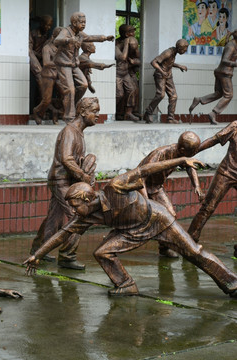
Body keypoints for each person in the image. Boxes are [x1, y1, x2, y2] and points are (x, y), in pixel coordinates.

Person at [24, 157, 237, 299]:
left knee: (193, 252)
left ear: (87, 198)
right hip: (129, 232)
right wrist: (38, 255)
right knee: (102, 252)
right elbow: (63, 234)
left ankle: (232, 282)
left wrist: (182, 160)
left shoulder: (115, 187)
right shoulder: (87, 214)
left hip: (157, 220)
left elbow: (144, 170)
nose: (72, 210)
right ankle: (126, 284)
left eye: (74, 205)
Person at [29, 97, 99, 270]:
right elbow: (66, 159)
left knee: (54, 218)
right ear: (83, 112)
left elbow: (74, 159)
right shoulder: (70, 131)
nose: (98, 115)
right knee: (78, 215)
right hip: (60, 180)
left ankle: (38, 250)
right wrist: (82, 175)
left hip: (65, 179)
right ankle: (67, 256)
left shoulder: (78, 132)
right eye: (94, 111)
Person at [138, 131, 204, 258]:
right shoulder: (161, 153)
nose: (194, 153)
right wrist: (146, 201)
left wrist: (197, 186)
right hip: (141, 187)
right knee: (139, 218)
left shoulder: (181, 153)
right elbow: (142, 176)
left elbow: (190, 166)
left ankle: (164, 248)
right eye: (193, 151)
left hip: (156, 188)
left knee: (170, 215)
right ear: (183, 149)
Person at [188, 120, 237, 258]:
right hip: (227, 172)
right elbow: (215, 139)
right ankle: (189, 241)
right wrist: (194, 150)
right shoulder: (235, 126)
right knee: (208, 207)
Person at [53, 12, 114, 123]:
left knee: (83, 84)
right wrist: (68, 40)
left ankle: (72, 106)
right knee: (70, 89)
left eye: (85, 22)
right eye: (81, 22)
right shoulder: (66, 31)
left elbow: (90, 37)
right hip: (63, 64)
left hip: (74, 64)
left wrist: (105, 38)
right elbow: (56, 40)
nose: (83, 24)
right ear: (74, 22)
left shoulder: (80, 34)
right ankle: (69, 117)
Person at [189, 29, 237, 125]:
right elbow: (224, 60)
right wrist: (235, 64)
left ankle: (199, 99)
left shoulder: (233, 45)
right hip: (224, 73)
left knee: (219, 93)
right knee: (229, 95)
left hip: (222, 72)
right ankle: (213, 113)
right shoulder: (231, 46)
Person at [143, 39, 189, 124]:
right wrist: (162, 71)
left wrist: (179, 66)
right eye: (185, 49)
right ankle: (148, 112)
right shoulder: (168, 52)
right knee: (160, 95)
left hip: (168, 75)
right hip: (160, 75)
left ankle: (170, 118)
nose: (186, 50)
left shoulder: (174, 52)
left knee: (174, 96)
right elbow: (153, 62)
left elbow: (168, 63)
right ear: (179, 48)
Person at [32, 27, 63, 124]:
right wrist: (60, 63)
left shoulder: (61, 49)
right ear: (54, 36)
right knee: (47, 100)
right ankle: (37, 111)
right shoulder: (47, 48)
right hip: (48, 75)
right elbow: (46, 63)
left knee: (67, 93)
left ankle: (59, 113)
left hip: (58, 75)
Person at [115, 24, 140, 121]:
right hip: (118, 73)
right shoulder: (117, 46)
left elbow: (138, 58)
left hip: (126, 72)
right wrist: (126, 44)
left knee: (132, 89)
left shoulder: (132, 42)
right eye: (131, 32)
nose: (134, 34)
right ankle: (115, 111)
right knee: (119, 94)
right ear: (126, 34)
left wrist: (134, 62)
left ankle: (129, 112)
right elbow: (123, 58)